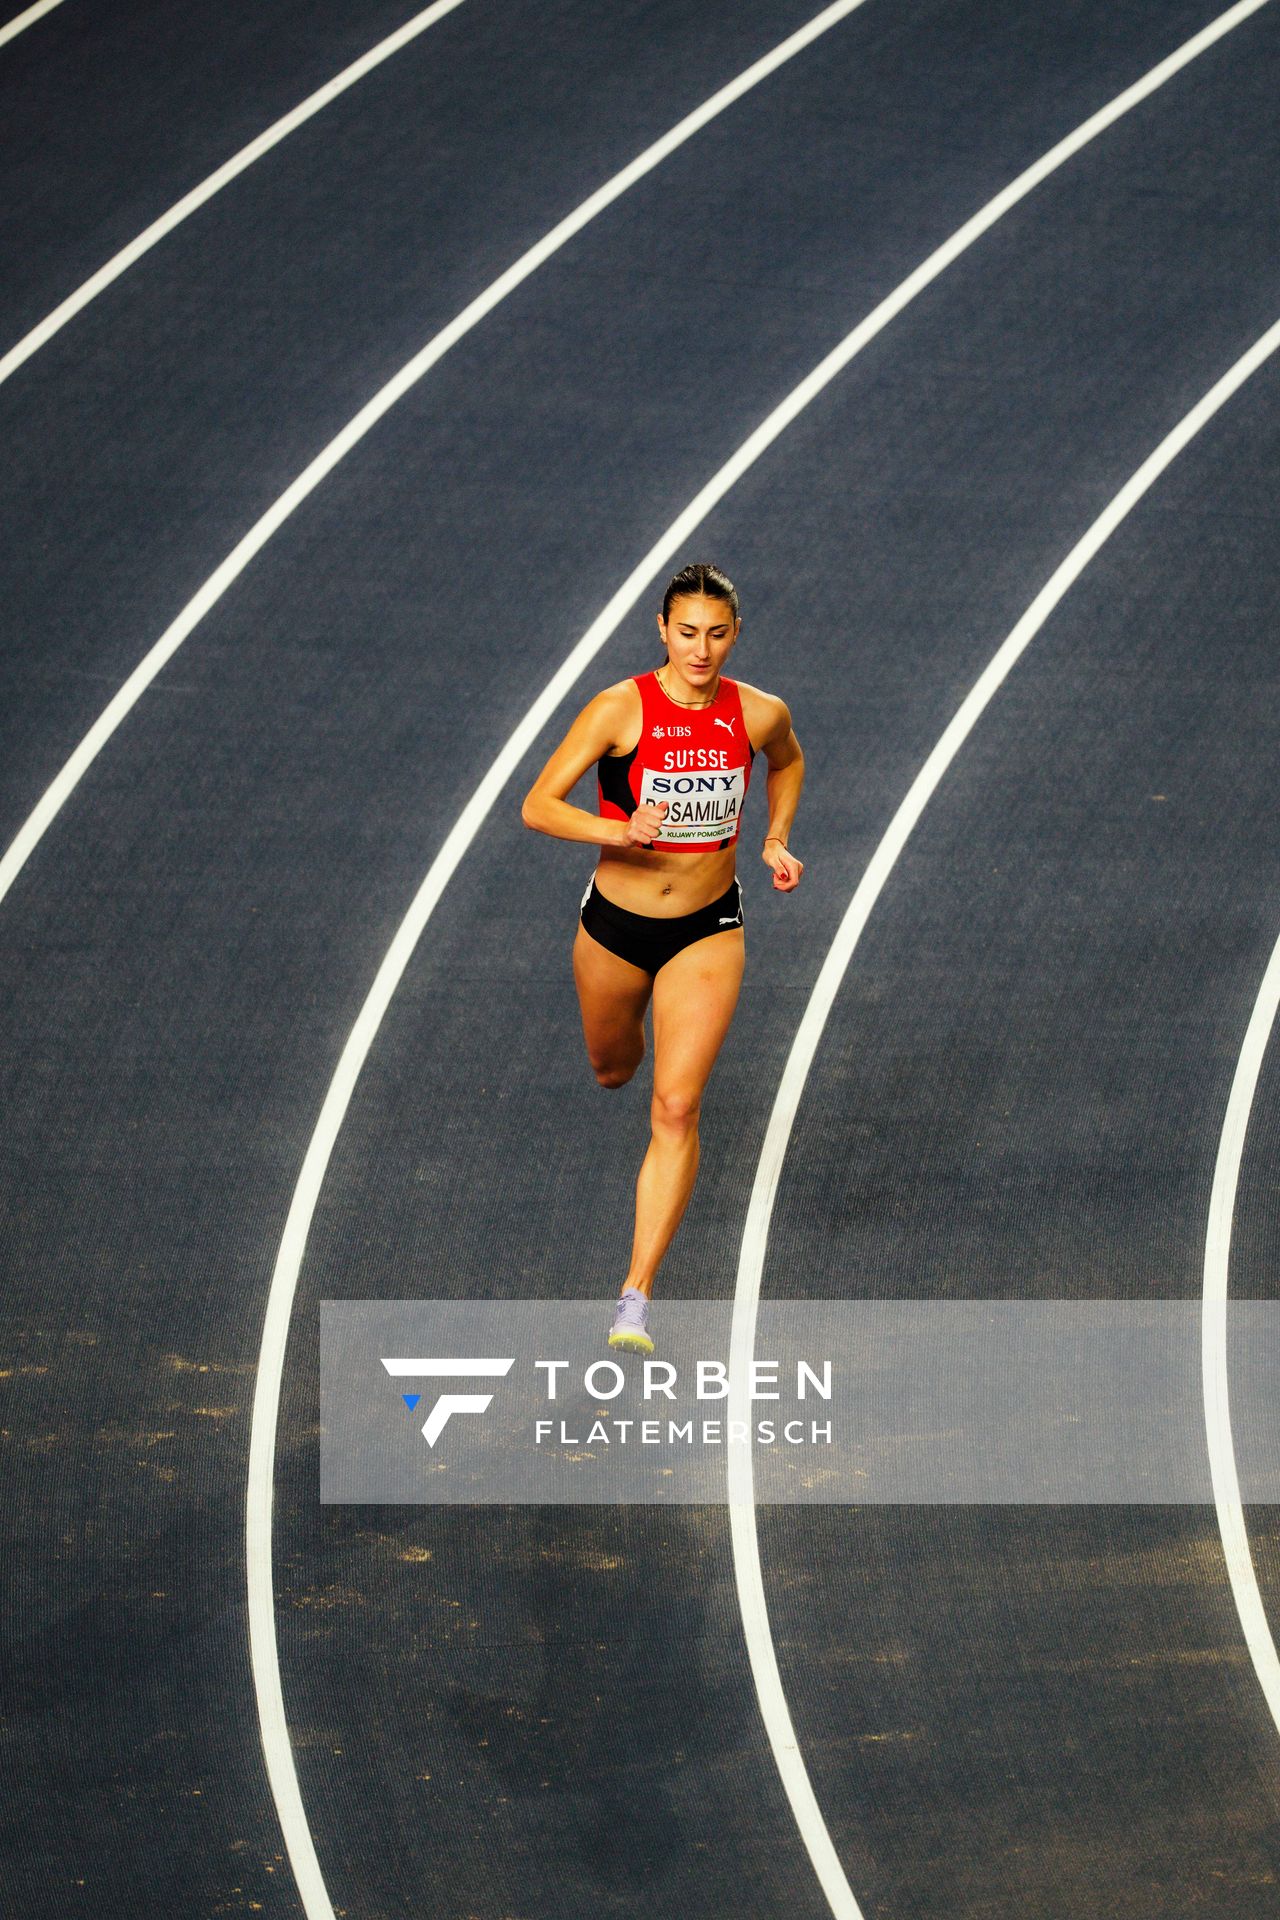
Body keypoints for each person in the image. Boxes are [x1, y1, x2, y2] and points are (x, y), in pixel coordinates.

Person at [521, 563, 804, 1354]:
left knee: (676, 1106)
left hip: (708, 927)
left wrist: (775, 837)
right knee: (614, 1068)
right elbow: (538, 805)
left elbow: (787, 762)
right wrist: (617, 831)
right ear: (662, 629)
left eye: (717, 634)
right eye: (687, 633)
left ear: (735, 634)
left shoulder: (757, 713)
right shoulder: (619, 708)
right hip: (617, 925)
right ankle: (631, 1033)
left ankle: (634, 1296)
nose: (701, 650)